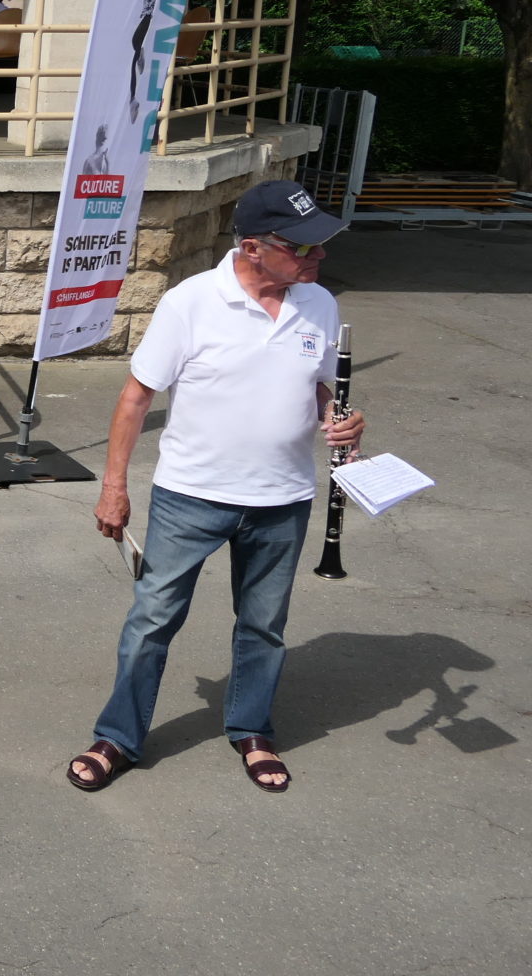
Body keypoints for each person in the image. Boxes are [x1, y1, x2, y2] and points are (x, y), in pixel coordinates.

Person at [68, 181, 368, 796]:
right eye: (303, 247)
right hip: (191, 497)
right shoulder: (191, 302)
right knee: (152, 621)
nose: (319, 256)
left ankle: (252, 729)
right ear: (254, 247)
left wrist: (340, 419)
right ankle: (117, 737)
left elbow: (317, 387)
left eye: (321, 244)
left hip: (283, 498)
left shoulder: (318, 303)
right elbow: (135, 398)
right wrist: (113, 487)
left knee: (264, 625)